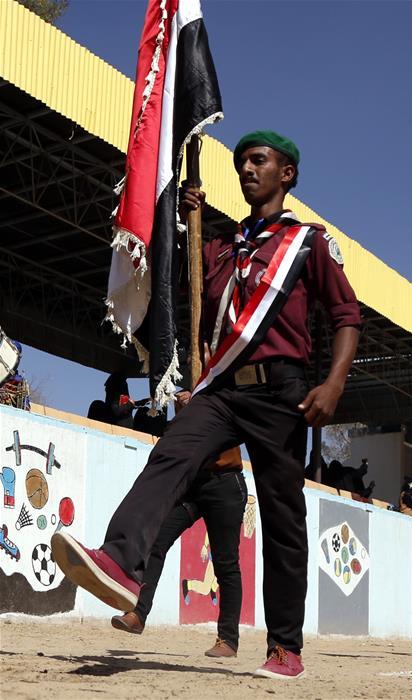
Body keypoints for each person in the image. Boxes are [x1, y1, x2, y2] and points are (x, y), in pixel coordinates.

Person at [51, 130, 361, 680]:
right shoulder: (219, 246)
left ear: (286, 174)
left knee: (283, 516)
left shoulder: (308, 243)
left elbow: (346, 317)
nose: (247, 170)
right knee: (170, 453)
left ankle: (284, 646)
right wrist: (181, 221)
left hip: (281, 392)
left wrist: (334, 383)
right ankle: (120, 560)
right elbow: (173, 282)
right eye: (241, 163)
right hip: (221, 389)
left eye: (258, 161)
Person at [110, 447, 247, 658]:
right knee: (156, 541)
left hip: (226, 481)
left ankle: (228, 639)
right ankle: (138, 613)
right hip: (192, 483)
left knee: (225, 563)